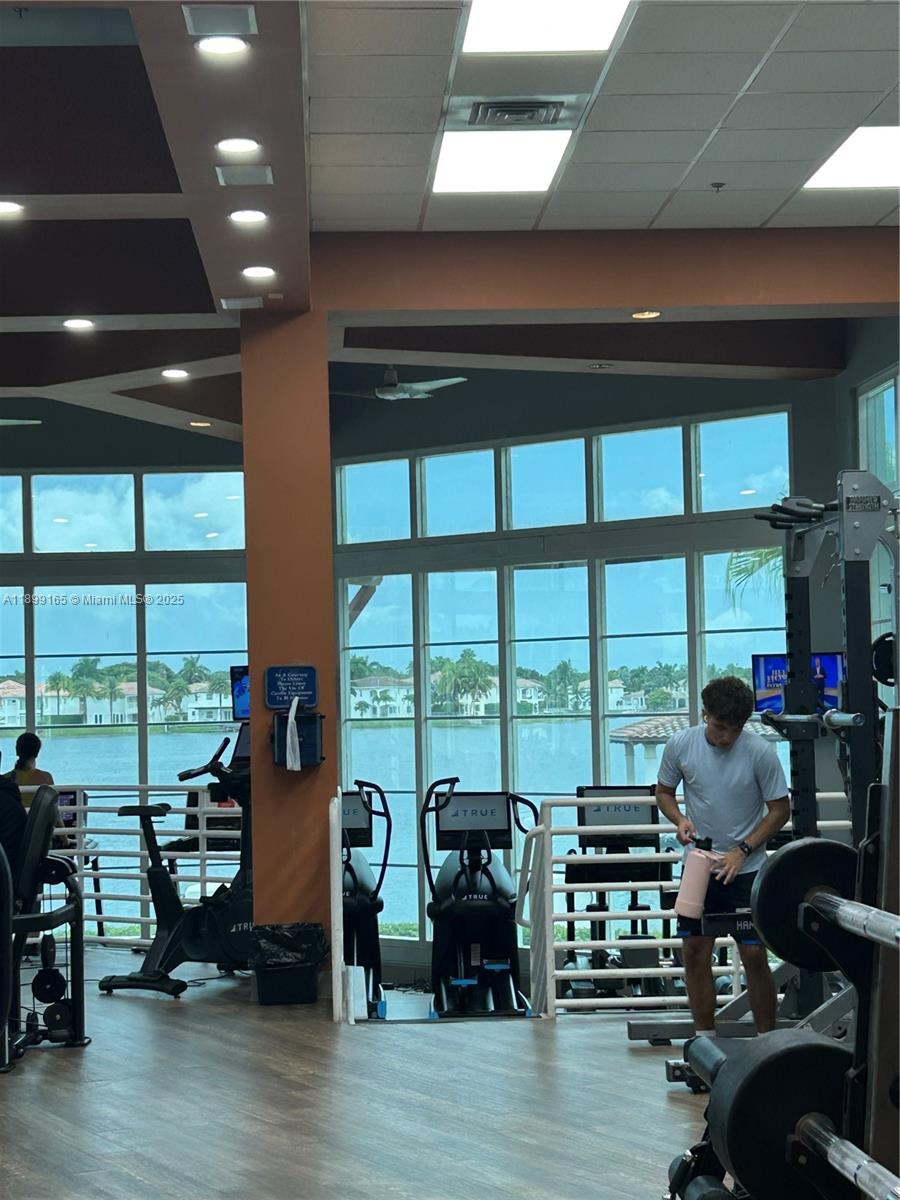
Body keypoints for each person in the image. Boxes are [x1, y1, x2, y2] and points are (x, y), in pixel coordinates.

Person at [655, 676, 790, 1037]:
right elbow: (664, 792)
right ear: (705, 714)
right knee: (694, 952)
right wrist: (680, 820)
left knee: (754, 955)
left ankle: (766, 1042)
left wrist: (742, 850)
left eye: (734, 729)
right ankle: (704, 1041)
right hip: (699, 866)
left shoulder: (760, 752)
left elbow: (780, 810)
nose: (726, 737)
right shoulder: (680, 745)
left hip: (747, 868)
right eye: (719, 727)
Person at [13, 732, 54, 803]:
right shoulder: (46, 778)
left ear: (17, 750)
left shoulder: (5, 780)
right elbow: (52, 805)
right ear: (37, 753)